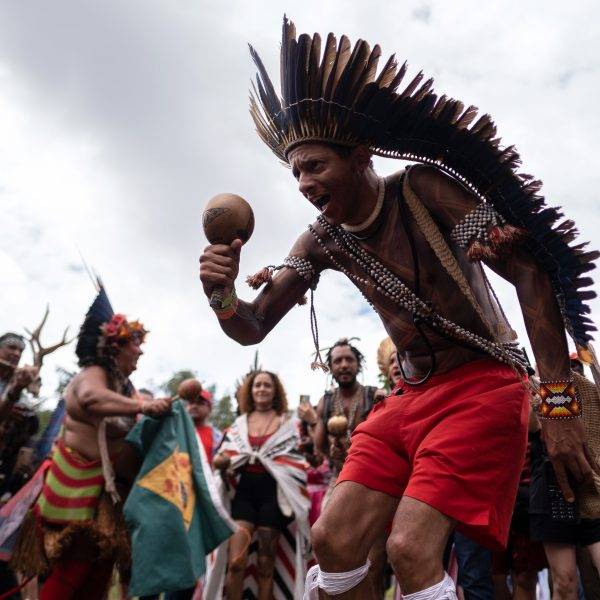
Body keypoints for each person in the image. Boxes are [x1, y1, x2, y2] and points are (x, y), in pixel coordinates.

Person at [199, 18, 598, 599]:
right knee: (332, 538)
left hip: (484, 386)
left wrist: (558, 407)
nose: (303, 183)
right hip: (408, 398)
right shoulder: (322, 240)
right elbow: (252, 325)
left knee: (409, 548)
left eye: (315, 166)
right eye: (295, 172)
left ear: (360, 155)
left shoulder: (425, 189)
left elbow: (530, 273)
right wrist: (220, 292)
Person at [11, 287, 172, 600]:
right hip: (79, 488)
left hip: (108, 495)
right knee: (75, 567)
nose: (140, 352)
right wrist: (143, 406)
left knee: (99, 573)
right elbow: (90, 398)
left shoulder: (124, 387)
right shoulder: (93, 374)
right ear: (116, 346)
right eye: (136, 343)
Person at [207, 369, 310, 600]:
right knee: (236, 563)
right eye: (257, 385)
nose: (262, 389)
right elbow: (227, 458)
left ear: (275, 391)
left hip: (272, 499)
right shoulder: (239, 425)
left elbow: (295, 464)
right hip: (244, 496)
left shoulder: (286, 424)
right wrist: (226, 467)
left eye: (267, 385)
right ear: (250, 391)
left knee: (266, 565)